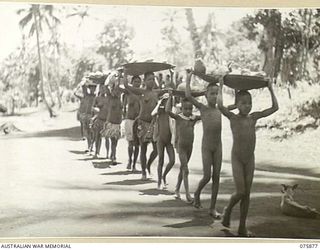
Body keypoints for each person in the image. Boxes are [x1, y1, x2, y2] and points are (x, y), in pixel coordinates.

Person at [217, 77, 278, 237]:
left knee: (247, 193)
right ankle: (227, 210)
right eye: (243, 103)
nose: (247, 106)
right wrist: (221, 86)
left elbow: (275, 108)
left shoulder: (254, 117)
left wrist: (270, 88)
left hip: (249, 159)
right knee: (241, 191)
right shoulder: (233, 117)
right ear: (236, 104)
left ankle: (242, 227)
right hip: (237, 158)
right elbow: (220, 106)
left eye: (249, 103)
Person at [185, 70, 236, 218]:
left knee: (216, 176)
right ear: (206, 96)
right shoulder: (203, 108)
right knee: (207, 176)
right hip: (206, 147)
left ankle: (212, 208)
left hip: (218, 147)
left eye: (217, 93)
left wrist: (234, 86)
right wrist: (189, 77)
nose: (214, 96)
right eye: (212, 93)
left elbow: (237, 103)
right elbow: (188, 96)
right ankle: (197, 193)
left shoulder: (221, 109)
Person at [165, 94, 201, 203]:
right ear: (181, 109)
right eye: (186, 108)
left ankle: (177, 189)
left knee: (183, 168)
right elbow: (167, 110)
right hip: (181, 146)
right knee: (185, 169)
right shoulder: (179, 117)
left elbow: (205, 113)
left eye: (190, 108)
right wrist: (170, 96)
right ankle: (188, 194)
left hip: (190, 146)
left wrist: (196, 100)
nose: (188, 111)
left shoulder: (193, 119)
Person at [152, 94, 175, 189]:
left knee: (172, 160)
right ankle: (159, 181)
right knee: (160, 160)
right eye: (165, 101)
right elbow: (152, 113)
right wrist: (159, 103)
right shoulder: (159, 113)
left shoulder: (172, 113)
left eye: (169, 101)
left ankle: (164, 175)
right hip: (160, 139)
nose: (167, 103)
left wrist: (170, 97)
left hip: (169, 140)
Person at [123, 75, 141, 171]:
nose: (137, 83)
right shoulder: (128, 93)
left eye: (139, 81)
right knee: (130, 143)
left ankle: (134, 164)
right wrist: (124, 74)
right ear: (132, 82)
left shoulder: (142, 93)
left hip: (138, 121)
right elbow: (124, 86)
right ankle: (130, 161)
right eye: (135, 81)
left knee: (137, 144)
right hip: (129, 119)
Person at [100, 82, 123, 164]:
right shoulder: (110, 98)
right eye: (115, 91)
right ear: (112, 91)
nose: (117, 92)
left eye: (119, 91)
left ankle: (112, 154)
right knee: (113, 140)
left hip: (118, 123)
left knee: (115, 141)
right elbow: (106, 89)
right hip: (111, 122)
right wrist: (107, 81)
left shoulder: (120, 99)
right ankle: (114, 156)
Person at [91, 85, 110, 159]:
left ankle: (108, 154)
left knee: (107, 138)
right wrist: (97, 108)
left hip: (107, 120)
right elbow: (92, 108)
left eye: (104, 88)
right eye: (101, 88)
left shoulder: (109, 98)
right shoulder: (97, 98)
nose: (103, 90)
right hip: (99, 119)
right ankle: (96, 152)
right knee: (97, 137)